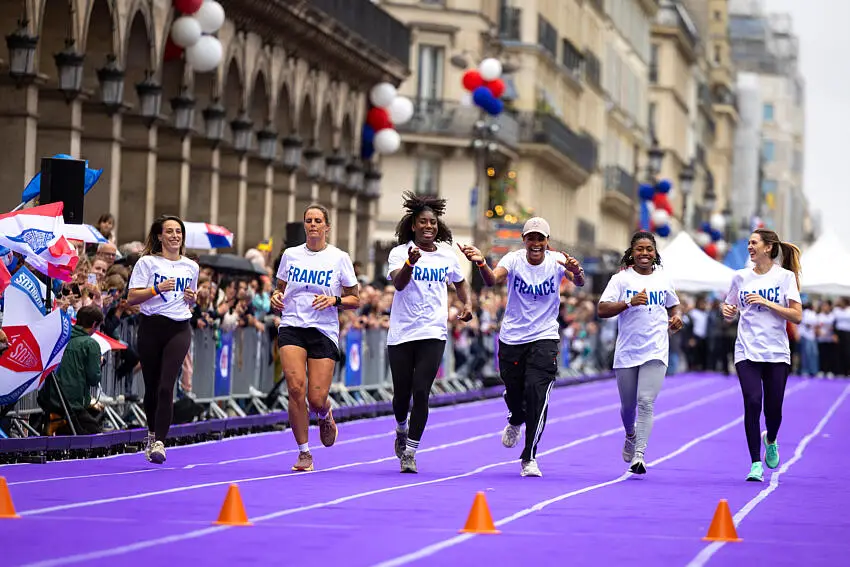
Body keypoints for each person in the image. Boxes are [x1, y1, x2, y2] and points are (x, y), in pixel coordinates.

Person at [460, 217, 584, 477]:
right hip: (513, 338)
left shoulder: (557, 260)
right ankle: (516, 417)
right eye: (531, 238)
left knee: (537, 394)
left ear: (547, 241)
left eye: (541, 238)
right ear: (524, 240)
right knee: (515, 392)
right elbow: (492, 279)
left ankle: (529, 456)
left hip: (545, 337)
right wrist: (481, 263)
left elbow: (578, 281)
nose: (536, 243)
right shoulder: (513, 259)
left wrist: (577, 271)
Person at [386, 192, 474, 474]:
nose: (428, 226)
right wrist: (410, 264)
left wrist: (467, 304)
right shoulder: (399, 253)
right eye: (423, 222)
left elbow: (460, 282)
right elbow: (399, 284)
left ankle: (410, 452)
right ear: (413, 225)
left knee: (422, 391)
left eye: (432, 222)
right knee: (402, 395)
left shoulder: (447, 256)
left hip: (433, 332)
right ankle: (401, 428)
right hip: (402, 333)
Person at [270, 204, 360, 472]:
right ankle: (304, 453)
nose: (312, 225)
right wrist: (276, 297)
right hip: (292, 325)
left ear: (327, 227)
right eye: (308, 220)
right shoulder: (290, 255)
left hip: (323, 329)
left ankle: (324, 412)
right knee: (295, 388)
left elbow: (355, 299)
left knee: (316, 398)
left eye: (318, 220)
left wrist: (334, 300)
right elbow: (280, 288)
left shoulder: (339, 258)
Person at [596, 231, 683, 474]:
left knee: (646, 402)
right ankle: (630, 434)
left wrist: (677, 317)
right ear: (632, 253)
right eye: (640, 249)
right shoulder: (621, 279)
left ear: (655, 253)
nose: (644, 253)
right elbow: (602, 309)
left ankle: (640, 454)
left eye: (649, 249)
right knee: (628, 407)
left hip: (656, 349)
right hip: (627, 350)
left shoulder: (663, 278)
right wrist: (628, 303)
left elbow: (674, 304)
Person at [721, 228, 802, 482]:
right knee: (753, 401)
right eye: (748, 242)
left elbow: (797, 316)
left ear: (768, 247)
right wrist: (727, 311)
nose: (749, 247)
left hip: (776, 352)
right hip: (747, 350)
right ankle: (755, 463)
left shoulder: (785, 277)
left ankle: (772, 439)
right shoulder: (740, 277)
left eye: (754, 242)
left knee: (773, 410)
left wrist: (767, 303)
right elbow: (730, 307)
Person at [128, 214, 199, 464]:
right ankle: (151, 433)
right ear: (160, 236)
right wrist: (157, 288)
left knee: (167, 385)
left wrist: (192, 298)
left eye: (178, 231)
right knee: (152, 386)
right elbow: (132, 298)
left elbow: (191, 299)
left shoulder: (191, 266)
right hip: (151, 326)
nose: (174, 236)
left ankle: (160, 442)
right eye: (169, 231)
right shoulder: (147, 263)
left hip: (179, 327)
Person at [36, 305, 105, 435]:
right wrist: (98, 363)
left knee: (67, 434)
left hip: (49, 397)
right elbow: (93, 379)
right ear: (94, 324)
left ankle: (57, 422)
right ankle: (58, 422)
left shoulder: (60, 337)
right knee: (95, 435)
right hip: (72, 402)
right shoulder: (90, 344)